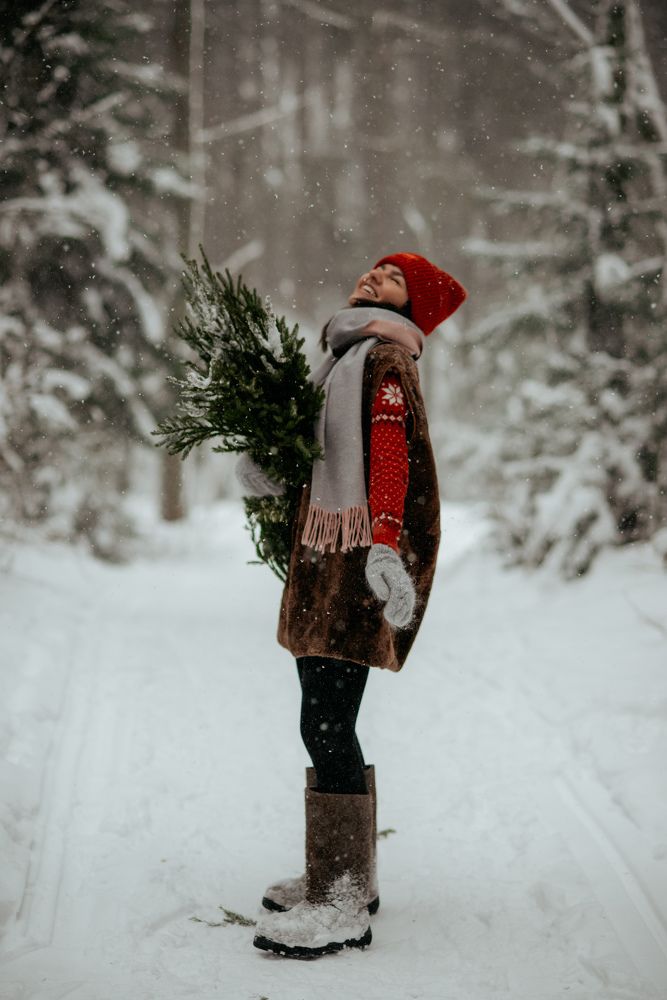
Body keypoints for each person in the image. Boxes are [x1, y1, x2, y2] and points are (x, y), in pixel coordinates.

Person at [237, 252, 466, 959]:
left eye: (393, 279)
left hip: (359, 565)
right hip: (326, 560)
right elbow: (321, 452)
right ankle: (344, 878)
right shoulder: (342, 356)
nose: (374, 277)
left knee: (326, 723)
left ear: (412, 306)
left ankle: (341, 899)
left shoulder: (383, 361)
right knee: (324, 720)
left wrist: (386, 544)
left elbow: (391, 453)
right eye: (374, 268)